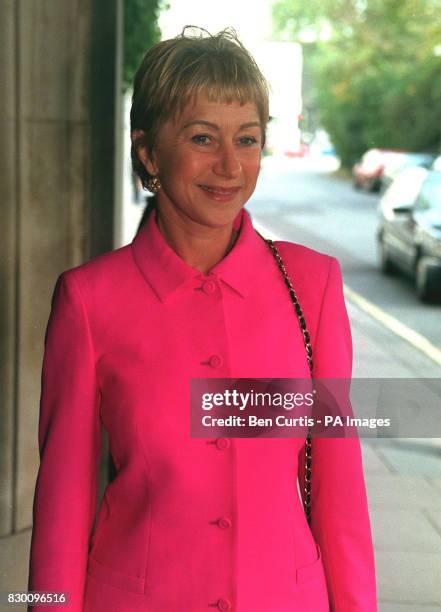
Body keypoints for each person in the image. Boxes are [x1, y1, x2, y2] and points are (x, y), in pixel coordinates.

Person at [28, 26, 377, 611]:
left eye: (247, 139)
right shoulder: (89, 301)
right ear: (148, 152)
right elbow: (62, 506)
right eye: (201, 137)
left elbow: (339, 488)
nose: (229, 165)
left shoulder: (312, 287)